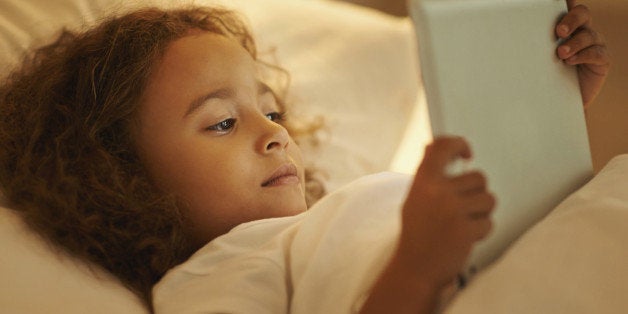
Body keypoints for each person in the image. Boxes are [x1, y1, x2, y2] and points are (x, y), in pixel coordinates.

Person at [0, 1, 610, 313]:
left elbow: (512, 226)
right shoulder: (211, 277)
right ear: (119, 181)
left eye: (273, 112)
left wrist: (547, 108)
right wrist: (418, 266)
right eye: (220, 122)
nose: (273, 135)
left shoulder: (331, 215)